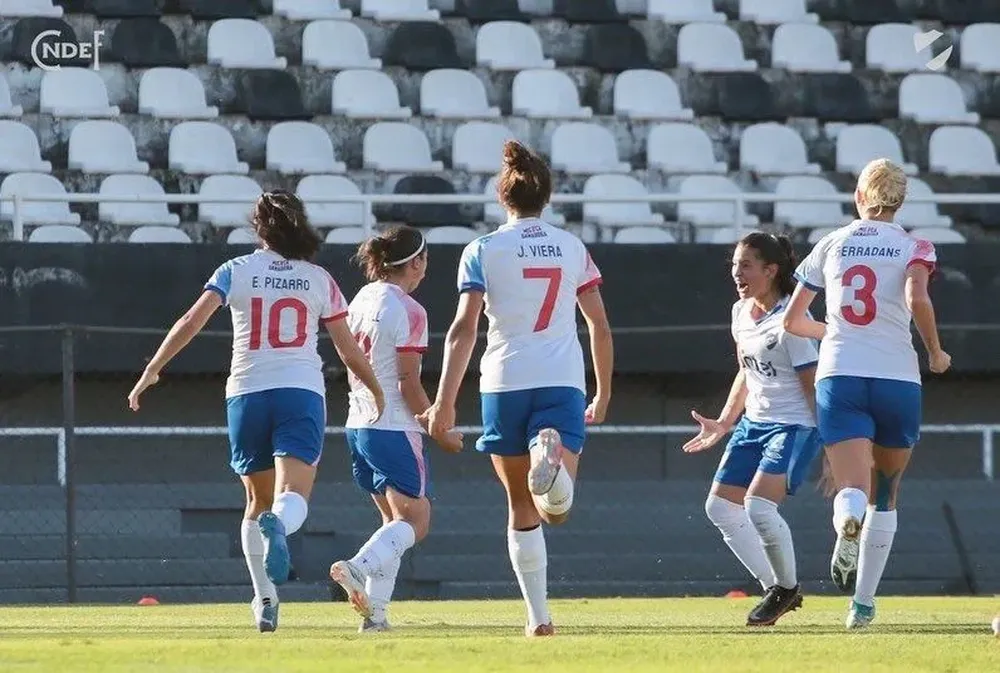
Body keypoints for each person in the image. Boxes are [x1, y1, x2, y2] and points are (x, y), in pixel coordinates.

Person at [126, 190, 384, 633]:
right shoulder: (318, 278)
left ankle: (265, 598)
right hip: (299, 391)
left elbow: (191, 320)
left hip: (245, 393)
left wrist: (153, 368)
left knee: (254, 500)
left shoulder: (236, 270)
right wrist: (376, 389)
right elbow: (348, 349)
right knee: (293, 496)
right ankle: (279, 526)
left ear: (259, 229)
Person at [420, 140, 614, 637]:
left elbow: (464, 329)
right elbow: (598, 325)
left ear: (502, 198)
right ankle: (546, 448)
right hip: (561, 380)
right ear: (546, 197)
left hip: (503, 381)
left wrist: (443, 401)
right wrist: (604, 392)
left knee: (520, 507)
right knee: (559, 511)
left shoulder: (481, 249)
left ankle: (538, 618)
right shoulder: (572, 247)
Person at [783, 158, 951, 629]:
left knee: (852, 487)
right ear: (900, 200)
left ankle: (846, 519)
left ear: (860, 197)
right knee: (889, 493)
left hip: (841, 374)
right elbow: (918, 298)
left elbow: (792, 322)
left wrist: (834, 329)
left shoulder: (832, 243)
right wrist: (936, 352)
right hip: (897, 377)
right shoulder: (916, 245)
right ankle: (862, 604)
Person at [327, 225, 463, 633]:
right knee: (416, 521)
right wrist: (438, 427)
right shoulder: (409, 309)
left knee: (393, 526)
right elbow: (407, 382)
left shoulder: (362, 298)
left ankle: (377, 617)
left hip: (358, 423)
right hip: (392, 425)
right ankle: (355, 566)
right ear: (416, 262)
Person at [684, 232, 823, 627]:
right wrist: (725, 422)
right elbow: (747, 372)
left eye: (746, 265)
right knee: (720, 507)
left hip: (793, 426)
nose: (737, 273)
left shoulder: (792, 322)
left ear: (771, 270)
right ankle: (779, 588)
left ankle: (784, 588)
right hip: (754, 424)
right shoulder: (741, 312)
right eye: (734, 265)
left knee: (758, 507)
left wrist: (832, 444)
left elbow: (812, 385)